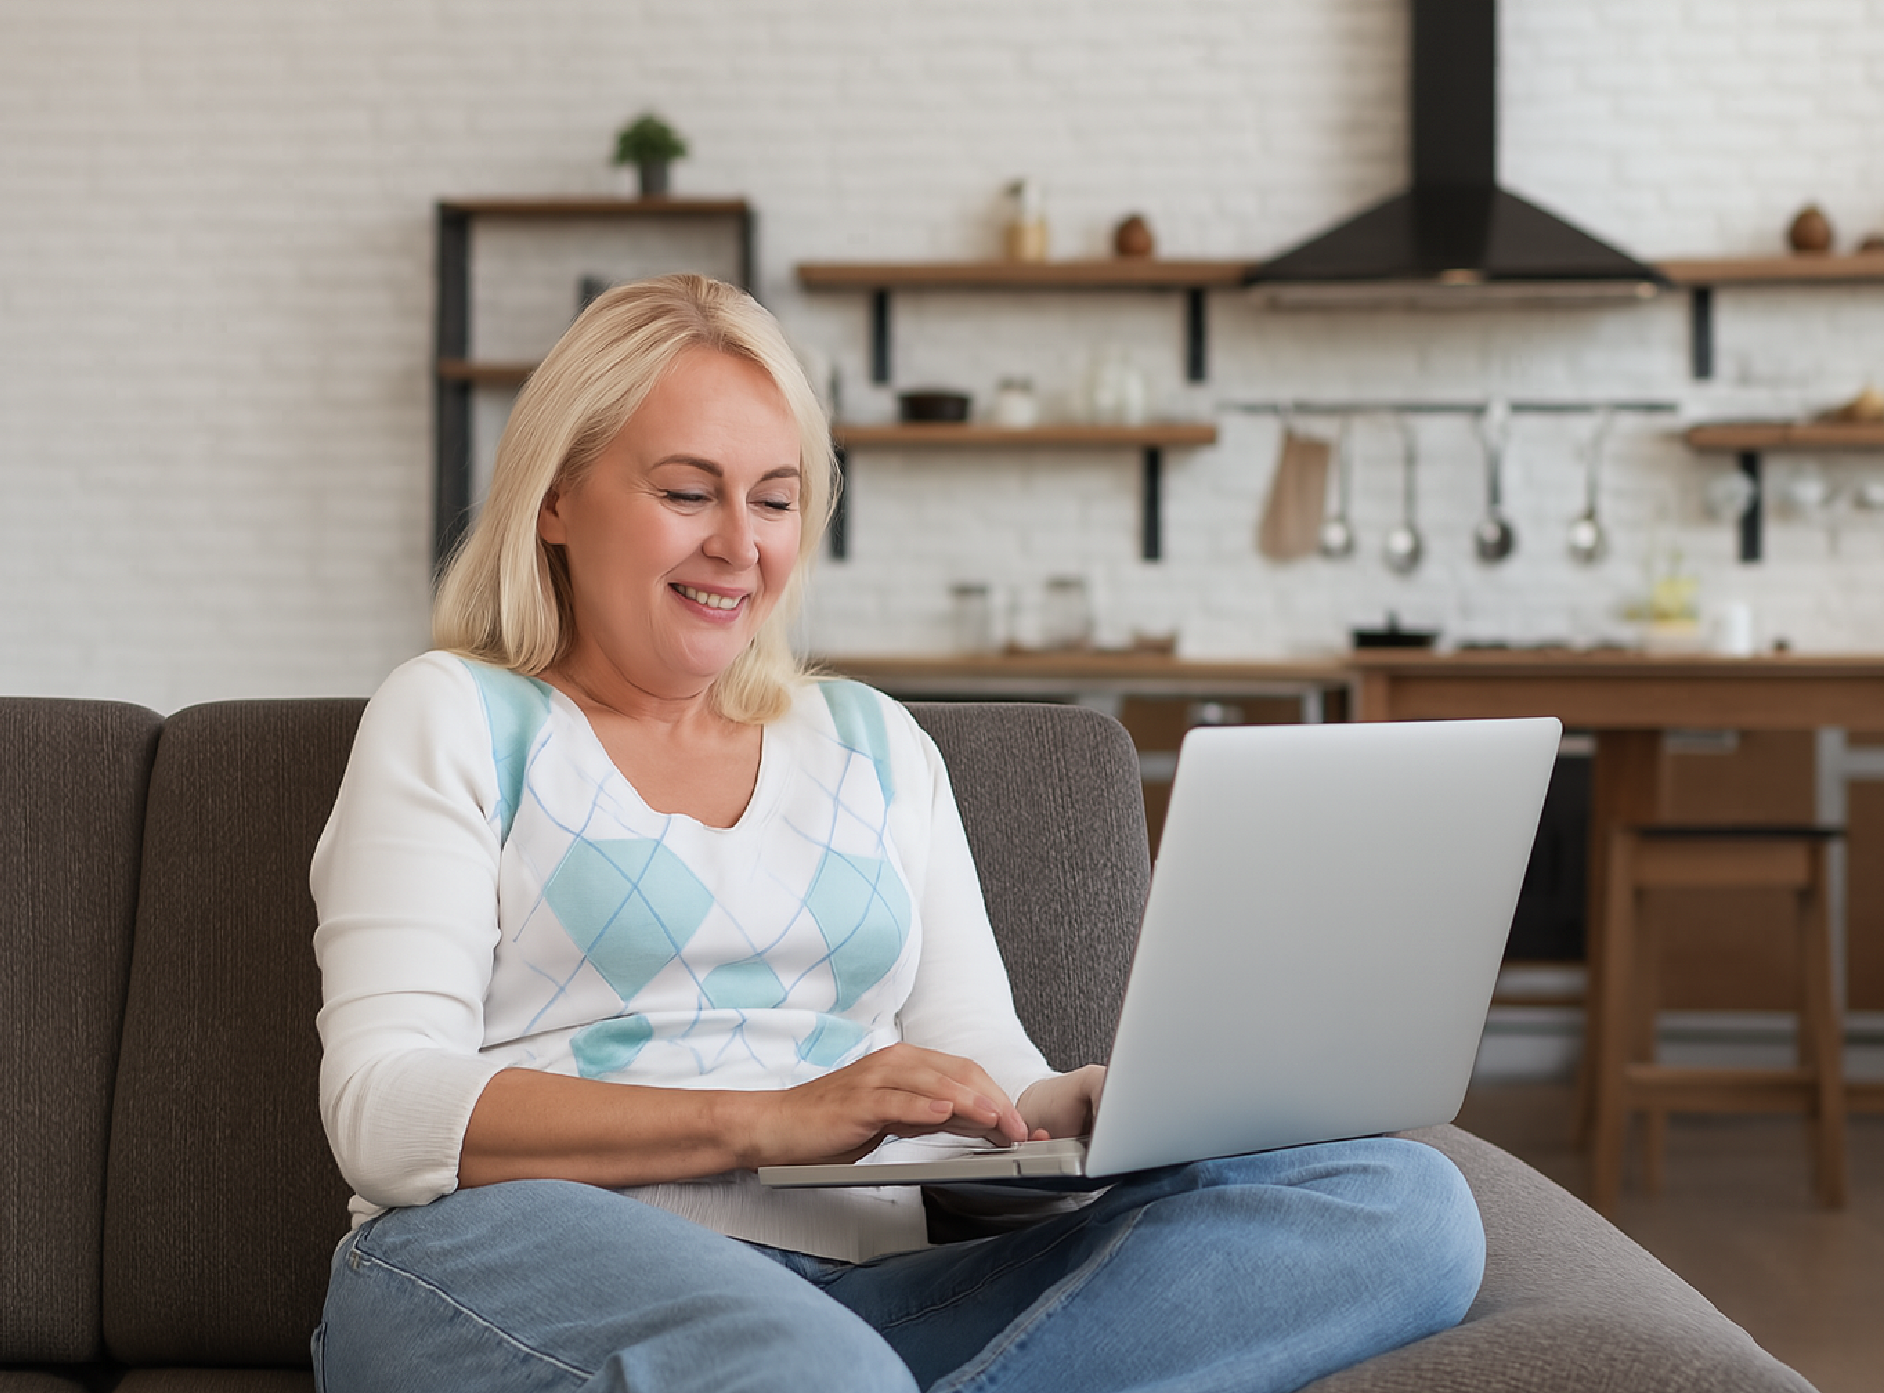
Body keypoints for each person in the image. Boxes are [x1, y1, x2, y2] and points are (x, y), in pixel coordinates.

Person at [309, 273, 1484, 1393]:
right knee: (816, 1368)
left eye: (775, 499)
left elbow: (979, 1054)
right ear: (556, 498)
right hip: (521, 1261)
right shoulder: (460, 714)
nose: (739, 544)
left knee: (1405, 1208)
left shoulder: (873, 745)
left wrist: (1064, 1110)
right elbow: (384, 1106)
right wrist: (768, 1123)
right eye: (686, 491)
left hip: (870, 1298)